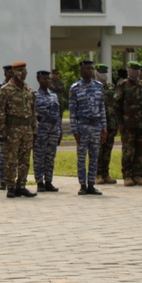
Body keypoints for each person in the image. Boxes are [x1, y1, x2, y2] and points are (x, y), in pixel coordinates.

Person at [0, 61, 37, 198]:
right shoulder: (5, 90)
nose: (22, 73)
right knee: (11, 159)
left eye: (24, 70)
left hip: (27, 129)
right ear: (13, 72)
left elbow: (33, 110)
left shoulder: (29, 90)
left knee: (25, 159)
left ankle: (21, 185)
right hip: (12, 129)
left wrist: (34, 129)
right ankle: (10, 186)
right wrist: (0, 131)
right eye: (19, 70)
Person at [68, 59, 107, 195]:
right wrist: (74, 130)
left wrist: (104, 127)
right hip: (82, 126)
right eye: (87, 69)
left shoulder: (98, 86)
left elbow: (102, 108)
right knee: (81, 157)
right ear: (81, 70)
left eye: (92, 69)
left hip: (96, 125)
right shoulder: (75, 88)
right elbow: (72, 111)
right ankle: (82, 185)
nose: (90, 71)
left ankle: (91, 184)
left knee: (94, 156)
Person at [115, 61, 142, 186]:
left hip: (141, 124)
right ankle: (127, 175)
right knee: (128, 151)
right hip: (128, 124)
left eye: (138, 70)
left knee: (140, 150)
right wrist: (120, 122)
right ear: (129, 71)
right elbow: (117, 105)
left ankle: (137, 175)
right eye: (133, 70)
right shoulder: (123, 85)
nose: (136, 72)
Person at [32, 70, 62, 192]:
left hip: (53, 130)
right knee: (39, 157)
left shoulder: (53, 95)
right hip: (41, 131)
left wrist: (60, 131)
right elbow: (32, 114)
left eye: (48, 79)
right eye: (44, 79)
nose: (47, 81)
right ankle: (39, 182)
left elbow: (58, 114)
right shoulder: (34, 95)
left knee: (50, 157)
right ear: (39, 80)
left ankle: (49, 181)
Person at [94, 64, 119, 185]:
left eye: (105, 72)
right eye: (101, 72)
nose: (103, 74)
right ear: (96, 73)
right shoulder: (92, 87)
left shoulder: (111, 87)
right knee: (98, 150)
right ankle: (97, 174)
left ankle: (106, 173)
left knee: (108, 150)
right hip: (98, 124)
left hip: (111, 123)